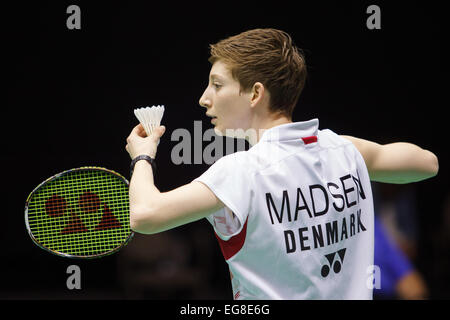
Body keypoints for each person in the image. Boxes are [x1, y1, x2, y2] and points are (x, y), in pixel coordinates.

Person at [124, 28, 439, 299]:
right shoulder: (342, 149)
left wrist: (142, 155)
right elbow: (427, 164)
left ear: (255, 94)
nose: (204, 98)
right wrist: (352, 150)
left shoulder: (241, 171)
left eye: (217, 85)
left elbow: (145, 216)